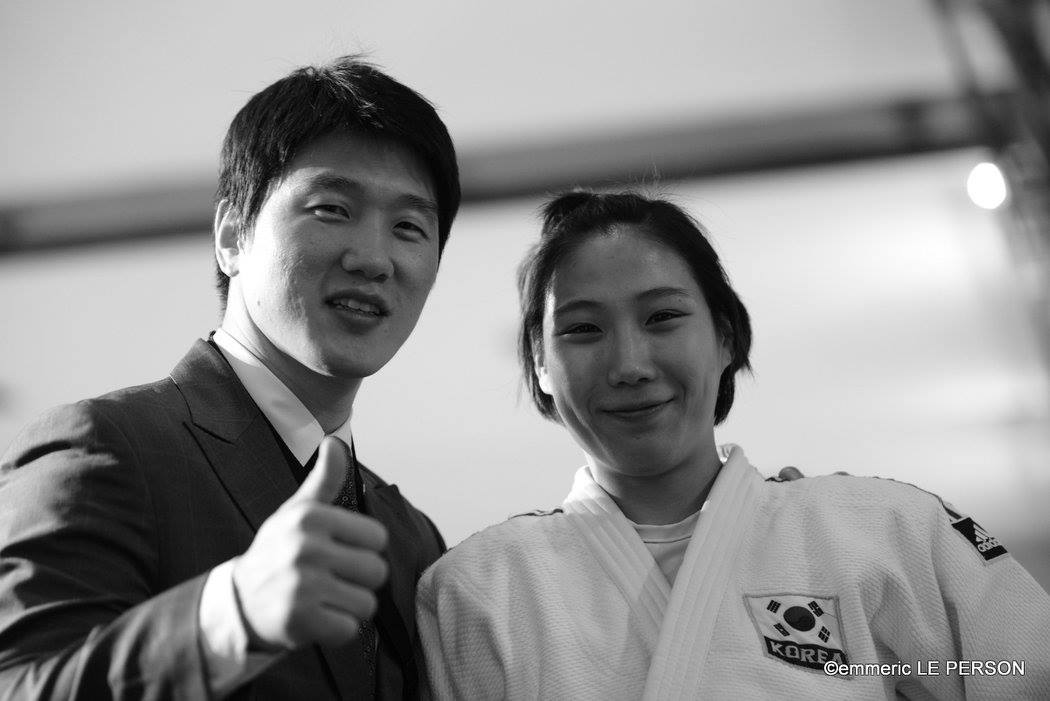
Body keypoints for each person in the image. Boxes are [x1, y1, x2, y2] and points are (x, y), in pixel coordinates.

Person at [416, 190, 1050, 699]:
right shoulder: (483, 587)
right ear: (540, 366)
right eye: (583, 330)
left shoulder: (881, 530)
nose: (629, 365)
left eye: (662, 317)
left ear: (725, 338)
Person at [0, 55, 459, 700]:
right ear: (232, 234)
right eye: (332, 209)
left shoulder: (412, 536)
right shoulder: (104, 446)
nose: (373, 258)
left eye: (409, 227)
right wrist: (231, 614)